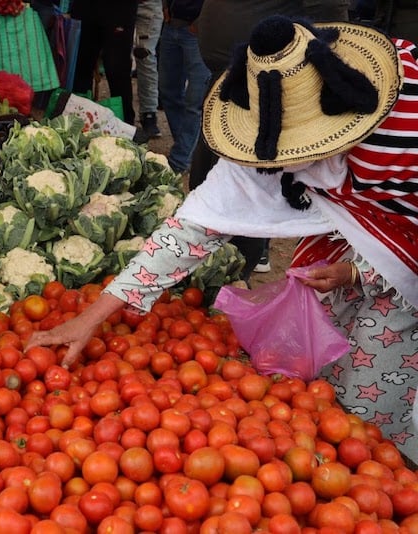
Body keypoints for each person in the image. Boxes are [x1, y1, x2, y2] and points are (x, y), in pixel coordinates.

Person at [28, 15, 418, 463]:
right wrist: (93, 316)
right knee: (319, 380)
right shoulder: (266, 117)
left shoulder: (405, 124)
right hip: (344, 239)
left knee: (373, 409)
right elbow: (193, 229)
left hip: (403, 258)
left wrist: (361, 271)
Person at [189, 0, 350, 279]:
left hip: (270, 97)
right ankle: (224, 274)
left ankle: (237, 273)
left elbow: (331, 24)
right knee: (209, 190)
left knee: (245, 195)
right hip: (231, 88)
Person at [157, 0, 210, 174]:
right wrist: (165, 6)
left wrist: (201, 21)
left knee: (195, 101)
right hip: (172, 25)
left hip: (197, 31)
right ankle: (187, 149)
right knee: (168, 90)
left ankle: (180, 158)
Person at [70, 0, 139, 126]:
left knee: (116, 68)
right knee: (81, 65)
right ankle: (79, 123)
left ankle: (124, 126)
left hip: (120, 10)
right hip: (85, 8)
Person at [132, 0, 164, 143]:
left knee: (145, 56)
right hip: (117, 6)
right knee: (116, 59)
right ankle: (122, 110)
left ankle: (149, 114)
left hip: (148, 5)